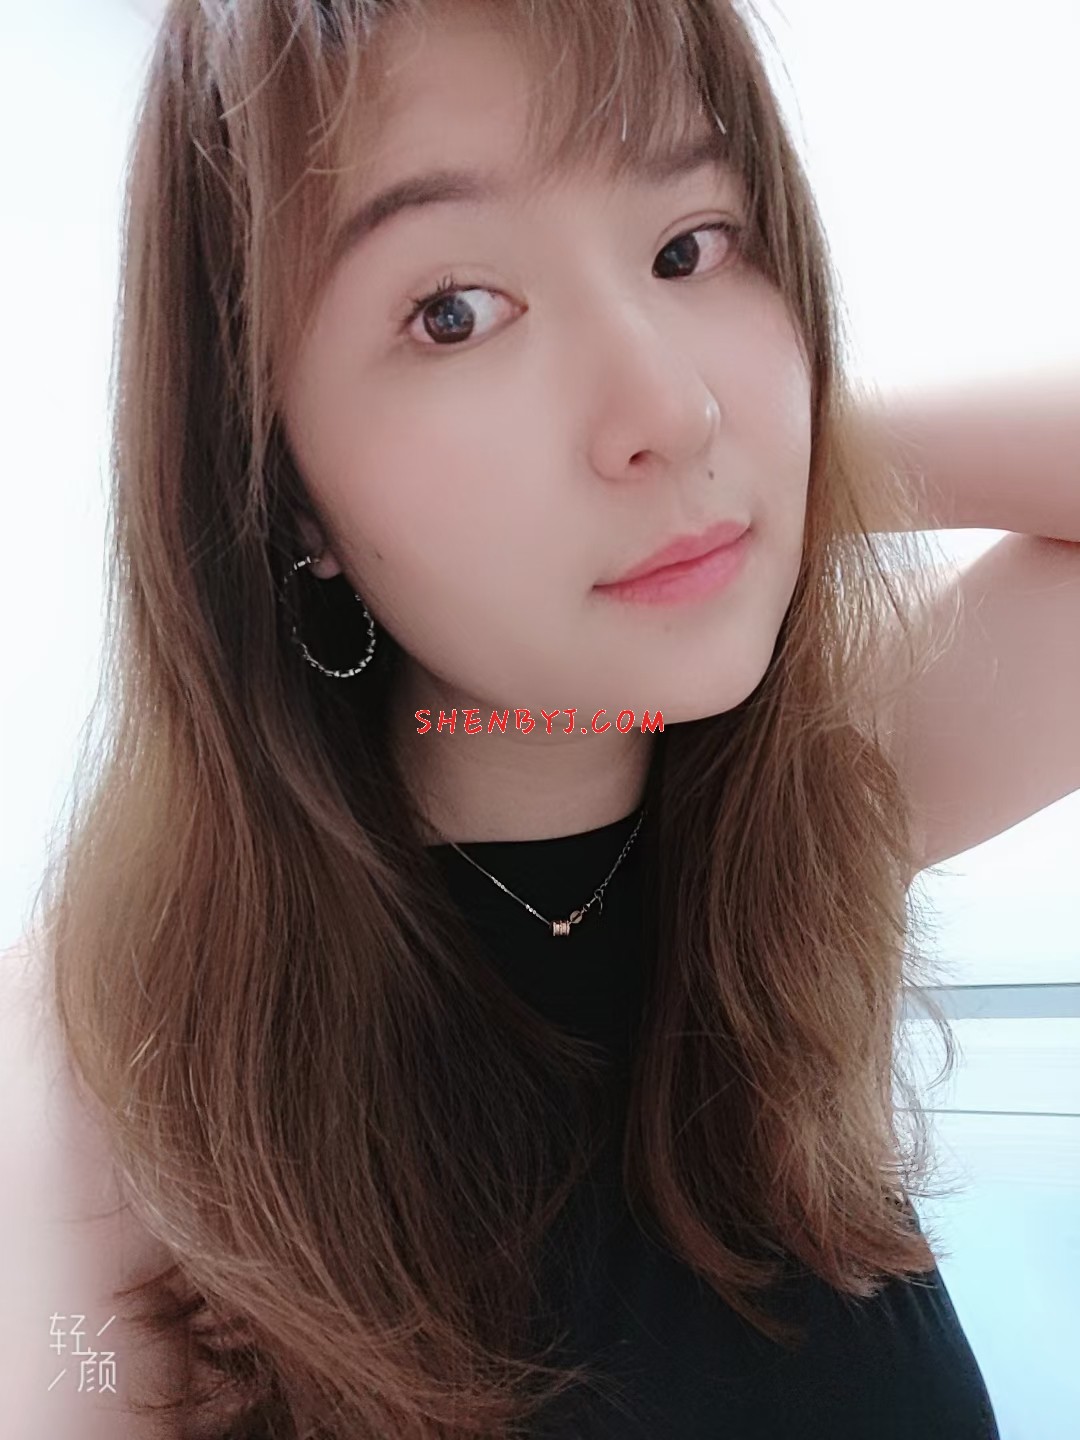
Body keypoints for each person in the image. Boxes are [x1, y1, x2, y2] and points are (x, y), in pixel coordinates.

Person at [4, 0, 1000, 1436]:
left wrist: (775, 456)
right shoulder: (105, 1047)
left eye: (690, 246)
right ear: (276, 481)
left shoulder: (812, 794)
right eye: (454, 312)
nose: (668, 405)